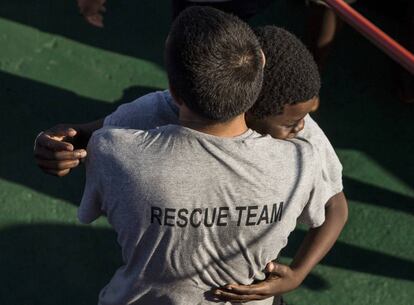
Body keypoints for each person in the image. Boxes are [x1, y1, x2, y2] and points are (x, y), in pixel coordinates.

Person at [34, 22, 348, 304]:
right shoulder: (159, 109)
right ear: (251, 102)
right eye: (292, 123)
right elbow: (87, 134)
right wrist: (57, 144)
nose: (302, 127)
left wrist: (297, 274)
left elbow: (336, 207)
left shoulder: (302, 140)